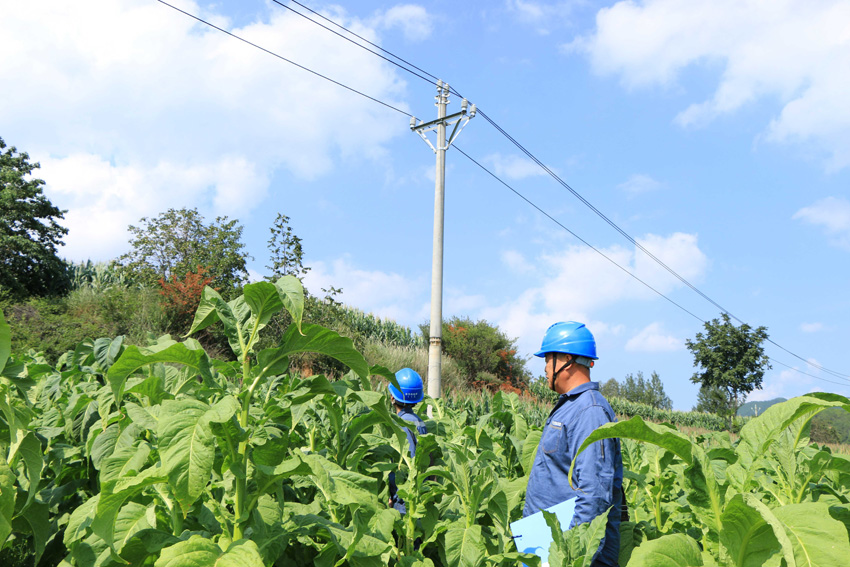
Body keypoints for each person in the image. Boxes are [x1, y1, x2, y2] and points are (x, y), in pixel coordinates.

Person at [523, 321, 623, 567]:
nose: (545, 368)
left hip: (567, 554)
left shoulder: (590, 411)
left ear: (566, 360)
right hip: (546, 543)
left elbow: (594, 494)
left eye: (548, 359)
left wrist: (574, 557)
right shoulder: (570, 405)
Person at [387, 367, 428, 514]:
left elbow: (406, 466)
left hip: (405, 501)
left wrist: (393, 495)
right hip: (419, 495)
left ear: (392, 398)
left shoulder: (401, 425)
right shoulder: (420, 422)